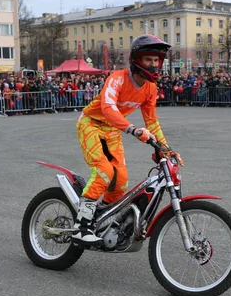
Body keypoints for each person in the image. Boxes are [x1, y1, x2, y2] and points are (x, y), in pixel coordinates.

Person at [71, 35, 183, 245]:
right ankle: (81, 226)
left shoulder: (150, 88)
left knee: (120, 181)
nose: (153, 64)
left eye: (156, 60)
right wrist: (132, 130)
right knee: (104, 171)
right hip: (91, 123)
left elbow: (152, 122)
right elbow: (108, 108)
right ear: (136, 60)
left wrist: (167, 149)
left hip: (113, 129)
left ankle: (99, 216)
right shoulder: (118, 78)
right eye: (148, 59)